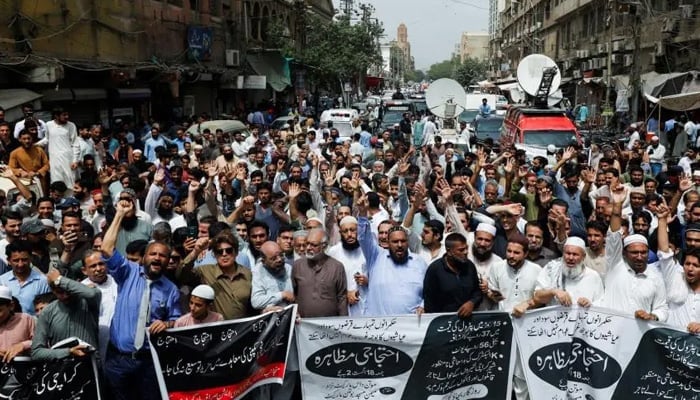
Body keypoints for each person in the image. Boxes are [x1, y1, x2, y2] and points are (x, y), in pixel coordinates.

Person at [100, 197, 181, 400]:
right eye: (152, 254)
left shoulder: (171, 290)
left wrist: (166, 324)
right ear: (144, 257)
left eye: (162, 256)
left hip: (149, 362)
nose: (157, 258)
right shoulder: (128, 272)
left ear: (168, 261)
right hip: (118, 359)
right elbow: (106, 249)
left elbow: (177, 321)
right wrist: (119, 214)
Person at [603, 185, 668, 322]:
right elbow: (614, 237)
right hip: (609, 334)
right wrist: (617, 205)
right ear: (625, 253)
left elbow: (662, 308)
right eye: (634, 252)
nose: (639, 256)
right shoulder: (615, 266)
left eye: (643, 252)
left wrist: (652, 316)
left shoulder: (655, 277)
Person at [358, 195, 427, 317]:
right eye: (395, 242)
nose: (399, 245)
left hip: (412, 328)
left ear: (407, 242)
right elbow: (364, 237)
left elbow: (430, 291)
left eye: (403, 241)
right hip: (378, 327)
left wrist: (423, 305)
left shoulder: (420, 262)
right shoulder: (376, 257)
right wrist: (363, 213)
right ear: (388, 243)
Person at [179, 232, 253, 320]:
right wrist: (195, 252)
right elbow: (181, 275)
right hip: (216, 328)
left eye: (228, 250)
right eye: (219, 251)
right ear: (214, 254)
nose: (224, 254)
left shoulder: (248, 274)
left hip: (242, 328)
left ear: (236, 252)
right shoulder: (205, 271)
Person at [31, 267, 100, 361]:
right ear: (52, 290)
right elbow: (36, 352)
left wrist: (59, 280)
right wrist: (68, 352)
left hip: (90, 366)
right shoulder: (48, 312)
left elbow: (91, 293)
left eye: (68, 290)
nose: (65, 296)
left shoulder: (87, 302)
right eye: (60, 292)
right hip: (61, 369)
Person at [656, 204, 700, 332]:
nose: (690, 269)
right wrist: (662, 220)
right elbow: (664, 252)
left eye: (696, 266)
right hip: (671, 342)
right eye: (687, 264)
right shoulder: (676, 275)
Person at [533, 236, 604, 308]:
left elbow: (601, 304)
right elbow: (537, 297)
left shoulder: (593, 276)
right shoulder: (551, 269)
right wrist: (554, 292)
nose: (570, 258)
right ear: (563, 253)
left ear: (583, 256)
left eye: (575, 254)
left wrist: (589, 303)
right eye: (568, 253)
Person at [423, 233, 482, 317]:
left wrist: (472, 302)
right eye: (461, 250)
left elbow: (477, 292)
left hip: (468, 321)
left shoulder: (470, 266)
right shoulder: (435, 269)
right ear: (449, 252)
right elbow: (429, 303)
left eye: (466, 248)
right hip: (443, 323)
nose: (466, 252)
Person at [292, 228, 347, 317]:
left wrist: (344, 322)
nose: (309, 248)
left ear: (324, 246)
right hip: (303, 324)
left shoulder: (337, 267)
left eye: (313, 245)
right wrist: (294, 313)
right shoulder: (297, 266)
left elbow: (342, 298)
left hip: (329, 326)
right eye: (307, 243)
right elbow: (292, 295)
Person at [81, 250, 118, 361]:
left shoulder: (117, 282)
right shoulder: (81, 289)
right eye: (93, 266)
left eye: (101, 264)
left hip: (118, 342)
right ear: (84, 270)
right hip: (95, 341)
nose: (98, 269)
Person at [326, 216, 367, 316]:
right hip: (342, 306)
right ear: (340, 233)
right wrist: (345, 294)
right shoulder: (333, 252)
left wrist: (367, 280)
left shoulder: (367, 249)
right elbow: (328, 281)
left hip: (366, 304)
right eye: (345, 231)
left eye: (353, 230)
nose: (349, 235)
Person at [0, 242, 50, 315]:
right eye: (16, 260)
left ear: (31, 258)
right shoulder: (2, 281)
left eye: (24, 260)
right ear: (9, 261)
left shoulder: (43, 281)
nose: (20, 264)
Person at [42, 108, 79, 192]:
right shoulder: (49, 124)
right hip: (54, 160)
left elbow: (75, 144)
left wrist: (75, 160)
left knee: (70, 184)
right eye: (64, 115)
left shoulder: (71, 125)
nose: (67, 117)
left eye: (67, 115)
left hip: (68, 160)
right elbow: (47, 139)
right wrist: (36, 145)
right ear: (56, 116)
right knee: (56, 183)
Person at [0, 285, 35, 362]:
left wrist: (23, 345)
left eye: (0, 310)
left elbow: (42, 343)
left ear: (11, 306)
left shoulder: (25, 319)